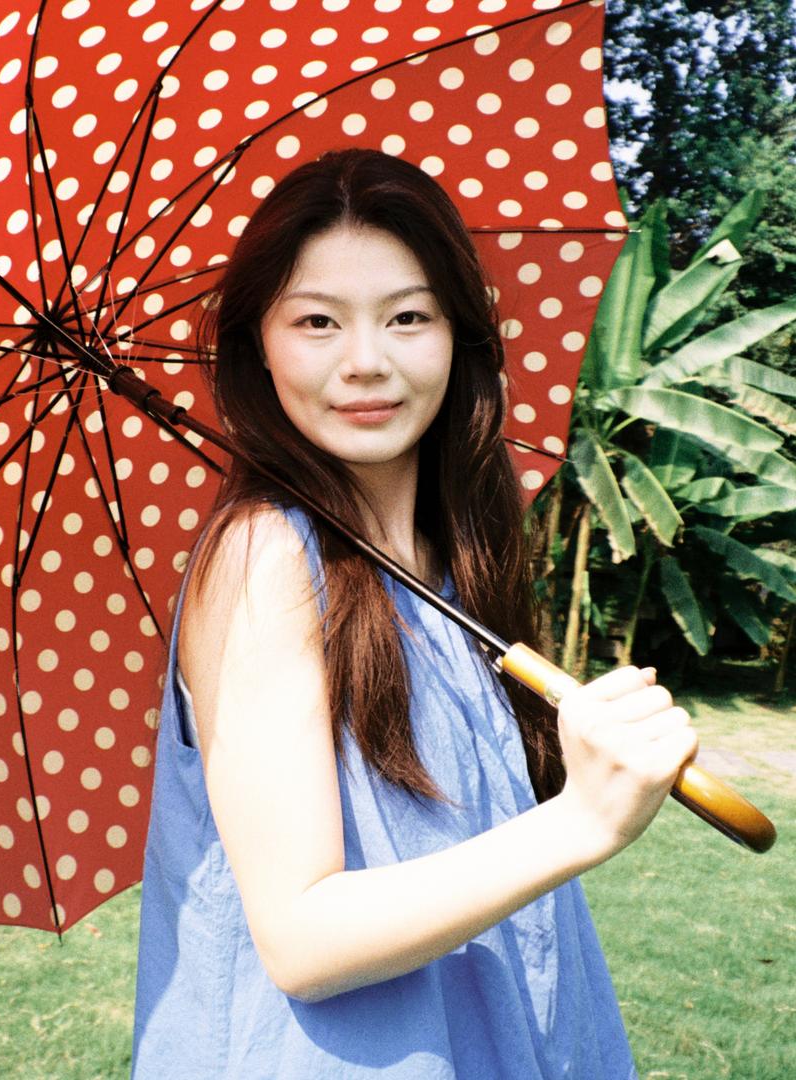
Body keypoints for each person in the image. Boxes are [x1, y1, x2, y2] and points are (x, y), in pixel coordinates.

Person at [131, 149, 696, 1079]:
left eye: (407, 317)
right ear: (258, 343)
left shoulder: (453, 563)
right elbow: (301, 939)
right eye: (317, 321)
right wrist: (581, 823)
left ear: (457, 336)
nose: (366, 362)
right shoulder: (267, 558)